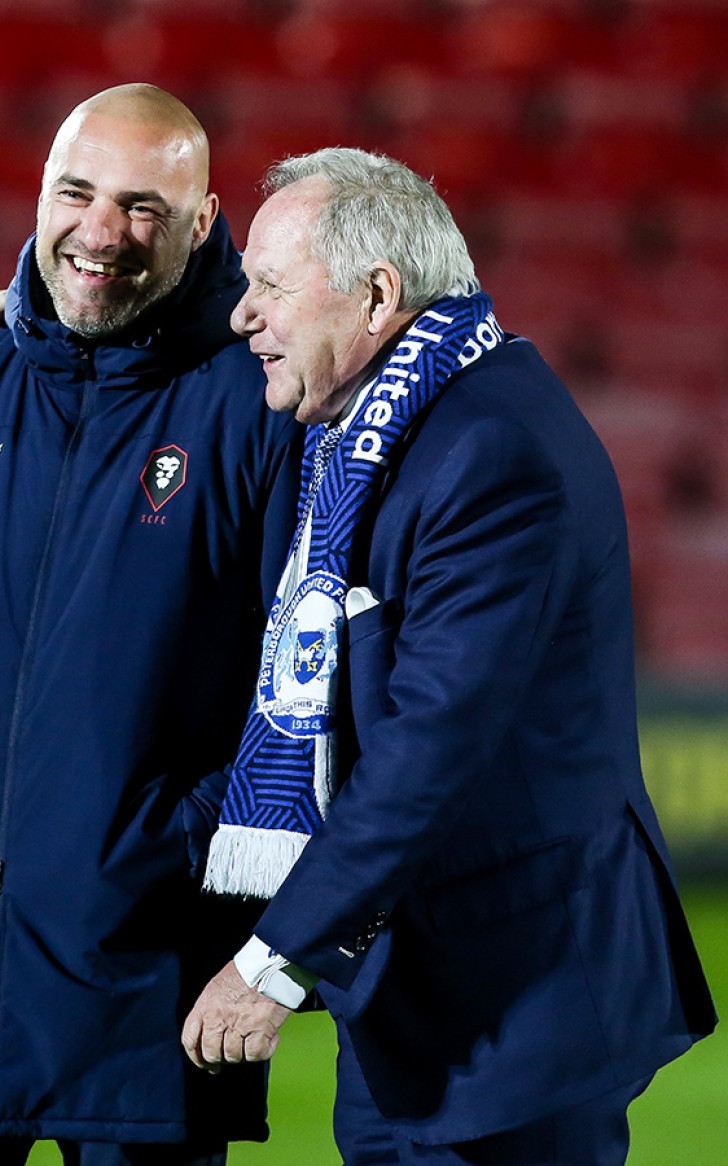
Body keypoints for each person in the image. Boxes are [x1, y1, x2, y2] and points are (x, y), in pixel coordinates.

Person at [176, 149, 717, 1165]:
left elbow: (433, 745)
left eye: (271, 287)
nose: (243, 315)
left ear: (378, 294)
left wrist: (272, 960)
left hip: (520, 1003)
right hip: (416, 999)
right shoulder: (372, 423)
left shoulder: (489, 449)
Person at [0, 84, 302, 1166]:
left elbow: (305, 689)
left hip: (143, 987)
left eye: (142, 208)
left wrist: (171, 846)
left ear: (206, 220)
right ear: (39, 192)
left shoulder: (258, 402)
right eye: (76, 193)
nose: (101, 232)